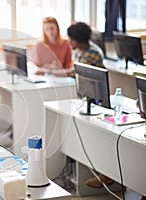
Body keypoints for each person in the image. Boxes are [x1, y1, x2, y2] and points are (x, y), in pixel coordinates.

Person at [67, 21, 113, 188]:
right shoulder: (80, 51)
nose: (69, 42)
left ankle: (107, 174)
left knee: (99, 135)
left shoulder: (92, 52)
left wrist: (54, 70)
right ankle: (103, 172)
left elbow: (76, 72)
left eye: (71, 39)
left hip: (97, 100)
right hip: (86, 97)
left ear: (78, 39)